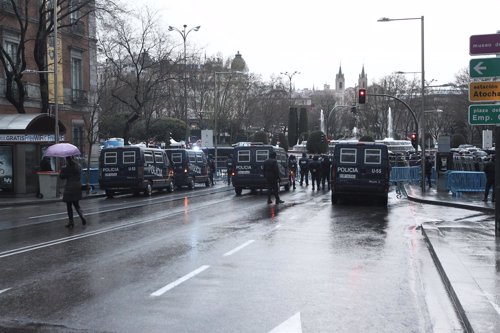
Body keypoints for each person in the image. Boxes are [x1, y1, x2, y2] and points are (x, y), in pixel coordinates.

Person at [59, 156, 86, 228]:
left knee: (69, 206)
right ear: (73, 158)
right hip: (77, 187)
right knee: (76, 204)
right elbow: (80, 174)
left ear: (67, 160)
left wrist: (62, 170)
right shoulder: (78, 166)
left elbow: (61, 177)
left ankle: (71, 222)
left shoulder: (66, 168)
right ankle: (82, 215)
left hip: (69, 188)